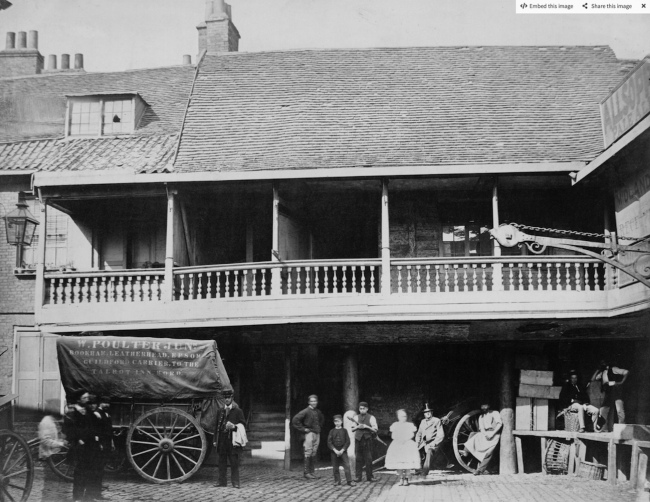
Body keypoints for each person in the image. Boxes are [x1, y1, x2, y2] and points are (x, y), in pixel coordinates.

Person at [63, 391, 103, 502]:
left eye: (87, 397)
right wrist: (77, 439)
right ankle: (78, 497)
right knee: (80, 472)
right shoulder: (72, 412)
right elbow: (68, 429)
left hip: (91, 445)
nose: (87, 399)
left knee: (91, 471)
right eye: (84, 398)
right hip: (80, 446)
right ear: (79, 400)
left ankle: (89, 496)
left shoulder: (89, 411)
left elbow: (94, 425)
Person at [213, 389, 246, 489]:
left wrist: (234, 427)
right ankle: (222, 481)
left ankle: (235, 482)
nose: (227, 400)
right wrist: (215, 440)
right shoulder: (220, 411)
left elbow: (243, 425)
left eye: (228, 398)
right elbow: (216, 427)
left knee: (234, 462)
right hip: (222, 440)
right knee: (221, 462)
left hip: (232, 440)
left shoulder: (238, 411)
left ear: (232, 398)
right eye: (225, 398)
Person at [461, 402, 502, 475]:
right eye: (482, 406)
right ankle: (466, 451)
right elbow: (481, 428)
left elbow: (499, 424)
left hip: (494, 433)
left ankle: (480, 470)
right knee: (474, 435)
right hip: (485, 434)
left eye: (485, 405)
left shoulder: (495, 413)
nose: (483, 407)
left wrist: (492, 434)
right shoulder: (481, 416)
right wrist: (485, 434)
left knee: (489, 452)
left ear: (488, 406)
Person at [291, 394, 325, 480]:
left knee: (314, 452)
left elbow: (322, 419)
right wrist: (303, 429)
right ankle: (306, 473)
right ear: (309, 402)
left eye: (315, 401)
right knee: (308, 452)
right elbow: (295, 420)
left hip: (317, 433)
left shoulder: (318, 411)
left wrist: (319, 427)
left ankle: (312, 472)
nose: (314, 403)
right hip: (309, 434)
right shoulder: (305, 411)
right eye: (312, 401)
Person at [385, 409, 421, 486]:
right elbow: (393, 435)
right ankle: (401, 478)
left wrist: (405, 439)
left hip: (408, 444)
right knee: (399, 463)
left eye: (404, 416)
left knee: (408, 463)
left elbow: (412, 435)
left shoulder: (409, 425)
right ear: (398, 417)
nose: (403, 418)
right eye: (401, 416)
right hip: (398, 444)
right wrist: (399, 439)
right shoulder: (395, 425)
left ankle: (407, 479)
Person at [590, 360, 629, 430]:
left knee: (619, 410)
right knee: (603, 410)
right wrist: (598, 370)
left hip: (616, 390)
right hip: (608, 392)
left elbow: (626, 372)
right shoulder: (602, 373)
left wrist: (621, 382)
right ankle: (601, 428)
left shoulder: (614, 369)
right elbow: (593, 379)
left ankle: (622, 429)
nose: (603, 365)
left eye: (604, 363)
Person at [351, 401, 379, 483]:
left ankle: (370, 477)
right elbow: (352, 429)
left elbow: (375, 430)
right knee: (358, 458)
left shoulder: (371, 417)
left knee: (368, 458)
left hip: (367, 440)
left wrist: (366, 426)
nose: (362, 410)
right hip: (358, 439)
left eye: (363, 408)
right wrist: (358, 427)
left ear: (367, 409)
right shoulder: (356, 417)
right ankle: (358, 477)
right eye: (360, 409)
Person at [415, 403, 445, 476]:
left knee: (429, 451)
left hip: (433, 443)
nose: (427, 414)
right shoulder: (423, 422)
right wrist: (417, 442)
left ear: (432, 413)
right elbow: (419, 433)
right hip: (424, 443)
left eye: (429, 412)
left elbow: (441, 435)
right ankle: (418, 469)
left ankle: (425, 471)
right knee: (415, 450)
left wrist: (434, 443)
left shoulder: (437, 421)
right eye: (426, 412)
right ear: (424, 414)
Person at [327, 415, 355, 487]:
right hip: (334, 451)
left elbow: (348, 441)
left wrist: (343, 450)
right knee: (335, 466)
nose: (337, 423)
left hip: (343, 451)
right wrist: (335, 450)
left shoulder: (344, 431)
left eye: (338, 421)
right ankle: (337, 481)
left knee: (347, 465)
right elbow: (329, 442)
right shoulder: (332, 431)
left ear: (341, 422)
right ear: (334, 422)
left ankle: (349, 481)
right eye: (335, 421)